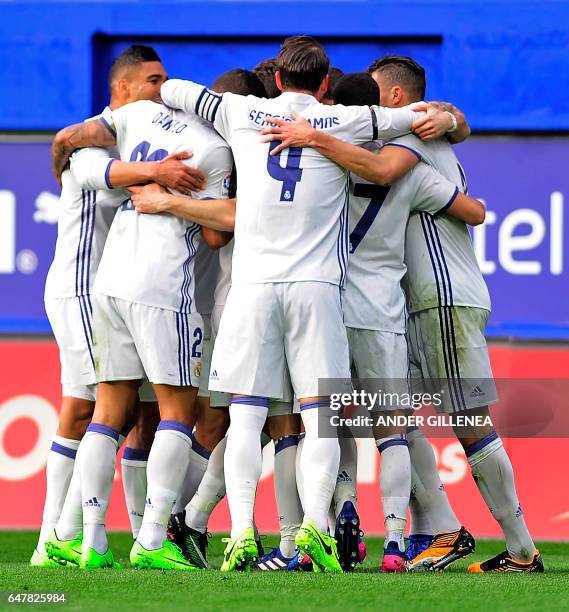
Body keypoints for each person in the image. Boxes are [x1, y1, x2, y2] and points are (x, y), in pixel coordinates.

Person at [159, 35, 457, 572]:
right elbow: (414, 119)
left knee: (247, 416)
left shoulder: (243, 112)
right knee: (322, 419)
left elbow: (177, 90)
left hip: (253, 287)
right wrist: (448, 120)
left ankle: (242, 532)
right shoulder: (346, 122)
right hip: (319, 292)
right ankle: (320, 527)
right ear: (323, 84)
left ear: (277, 79)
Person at [261, 71, 484, 573]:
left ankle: (331, 523)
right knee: (393, 434)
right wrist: (451, 124)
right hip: (383, 315)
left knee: (329, 426)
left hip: (332, 309)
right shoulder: (409, 168)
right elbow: (473, 212)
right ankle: (395, 545)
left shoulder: (326, 160)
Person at [48, 68, 233, 570]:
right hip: (162, 285)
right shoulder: (218, 150)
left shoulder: (139, 114)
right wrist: (178, 194)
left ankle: (89, 542)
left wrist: (136, 169)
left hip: (110, 279)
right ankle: (152, 539)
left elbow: (74, 138)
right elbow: (218, 236)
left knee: (109, 412)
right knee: (179, 410)